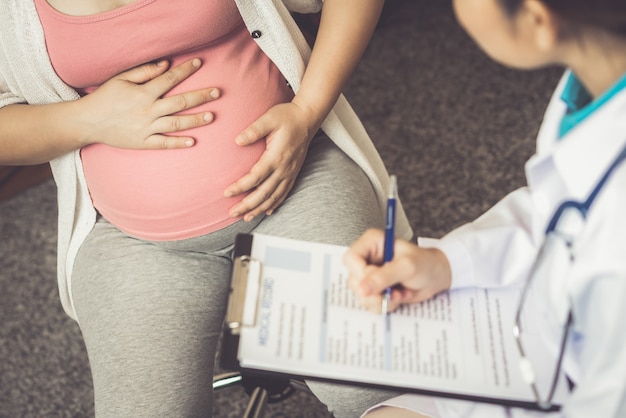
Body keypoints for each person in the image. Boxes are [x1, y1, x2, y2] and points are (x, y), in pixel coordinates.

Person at [0, 0, 413, 416]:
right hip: (133, 239)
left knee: (378, 391)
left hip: (299, 187)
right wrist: (87, 119)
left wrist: (306, 114)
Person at [343, 0, 626, 417]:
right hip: (541, 334)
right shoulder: (596, 79)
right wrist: (446, 263)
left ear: (537, 18)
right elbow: (556, 210)